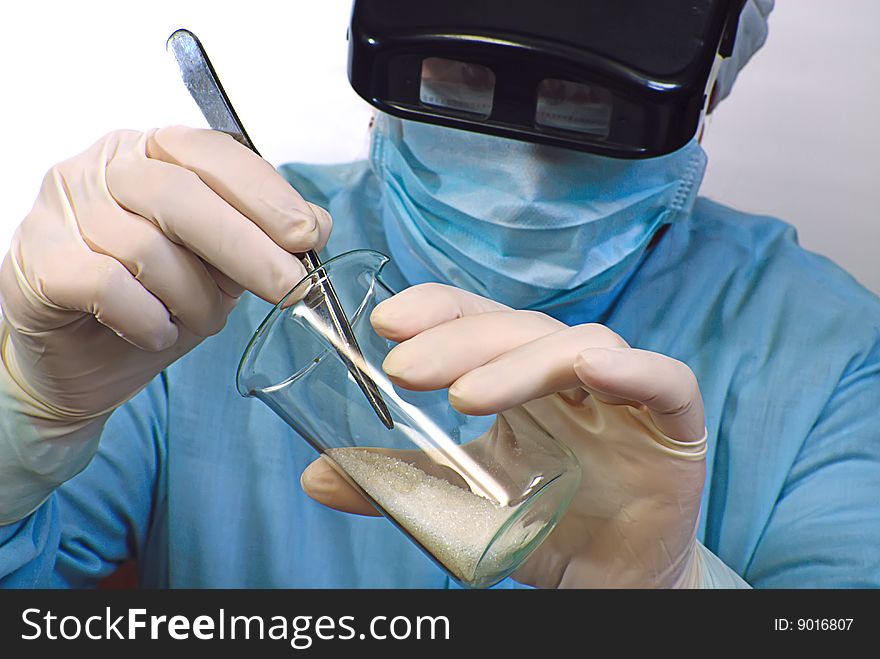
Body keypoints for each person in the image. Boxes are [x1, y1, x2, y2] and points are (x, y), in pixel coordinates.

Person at [0, 0, 877, 589]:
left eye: (591, 104)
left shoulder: (829, 357)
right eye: (459, 78)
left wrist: (671, 593)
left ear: (711, 81)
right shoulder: (186, 277)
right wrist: (23, 412)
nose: (528, 166)